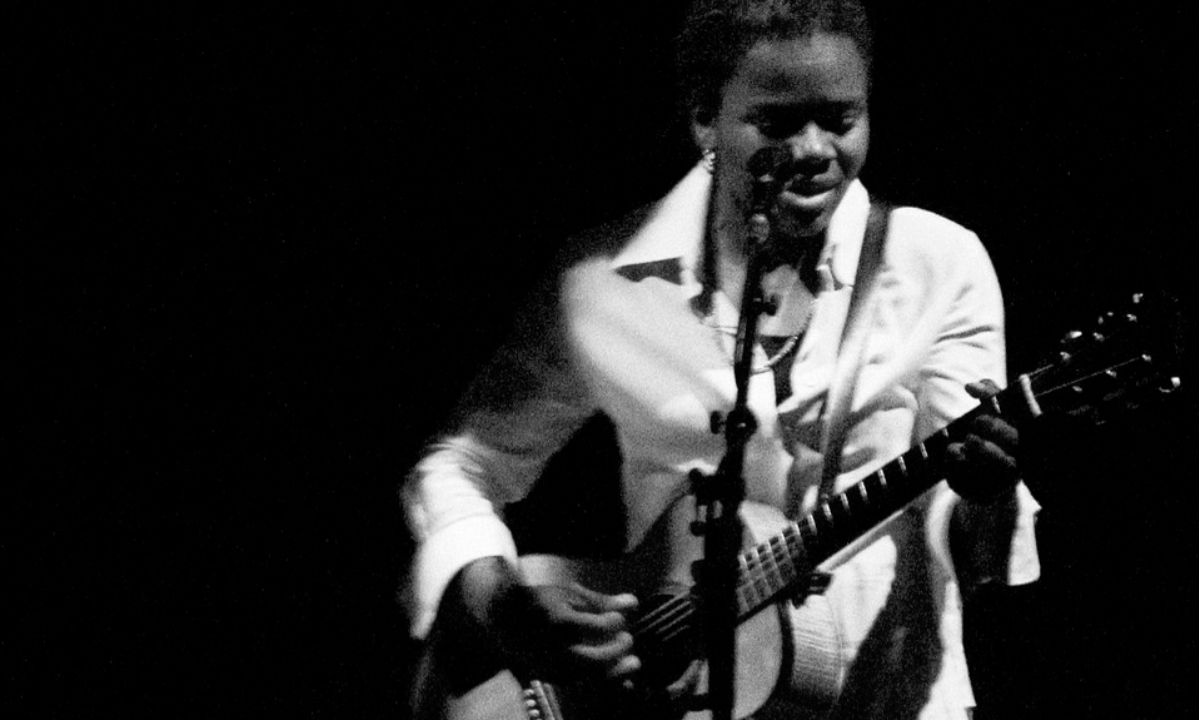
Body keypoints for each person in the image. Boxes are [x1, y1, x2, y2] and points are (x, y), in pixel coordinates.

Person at [402, 1, 1041, 718]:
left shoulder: (934, 264)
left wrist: (987, 492)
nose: (813, 150)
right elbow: (461, 464)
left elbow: (969, 539)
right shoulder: (603, 281)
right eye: (777, 123)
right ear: (706, 117)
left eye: (841, 120)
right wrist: (504, 607)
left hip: (888, 698)